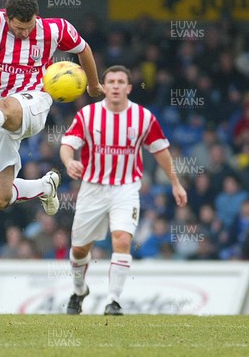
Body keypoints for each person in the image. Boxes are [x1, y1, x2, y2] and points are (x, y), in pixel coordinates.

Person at [0, 0, 103, 217]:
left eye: (29, 27)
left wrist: (94, 85)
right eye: (19, 28)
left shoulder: (56, 29)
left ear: (36, 17)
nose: (25, 33)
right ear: (7, 18)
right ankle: (45, 187)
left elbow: (83, 49)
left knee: (6, 106)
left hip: (35, 100)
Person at [59, 65, 187, 316]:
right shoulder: (88, 115)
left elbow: (160, 151)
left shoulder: (144, 117)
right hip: (92, 188)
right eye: (111, 81)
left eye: (120, 82)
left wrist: (175, 182)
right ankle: (79, 290)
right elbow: (67, 144)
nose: (116, 86)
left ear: (129, 87)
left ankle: (113, 300)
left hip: (126, 188)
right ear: (103, 87)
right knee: (79, 250)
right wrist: (68, 161)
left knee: (122, 240)